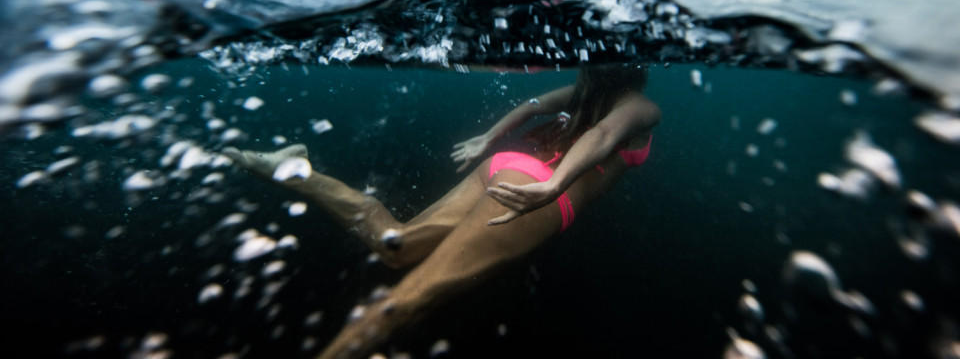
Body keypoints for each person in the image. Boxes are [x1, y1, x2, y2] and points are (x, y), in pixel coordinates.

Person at [224, 65, 660, 359]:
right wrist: (553, 183)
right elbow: (602, 136)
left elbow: (535, 107)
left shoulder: (588, 92)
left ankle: (292, 170)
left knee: (394, 243)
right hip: (537, 192)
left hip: (505, 171)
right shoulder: (642, 107)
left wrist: (490, 139)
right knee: (407, 300)